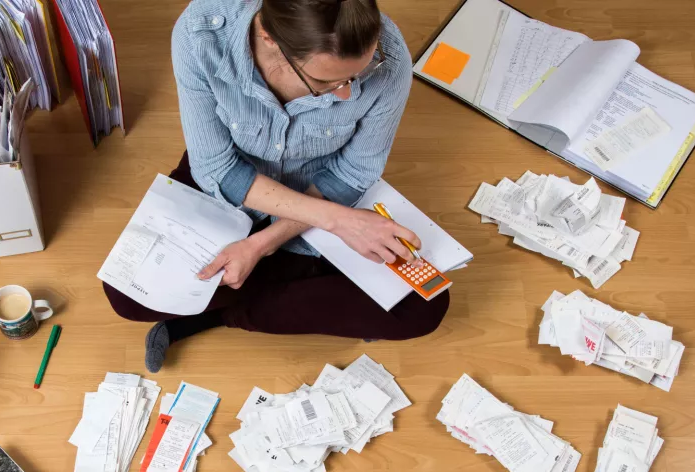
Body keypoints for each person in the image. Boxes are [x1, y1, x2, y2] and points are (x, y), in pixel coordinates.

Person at [103, 0, 450, 372]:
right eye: (324, 82)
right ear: (269, 38)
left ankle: (212, 315)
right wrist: (340, 222)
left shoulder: (390, 58)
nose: (347, 95)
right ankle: (287, 287)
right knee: (125, 293)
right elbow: (217, 167)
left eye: (358, 74)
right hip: (231, 187)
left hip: (320, 189)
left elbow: (354, 171)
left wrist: (261, 244)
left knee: (424, 308)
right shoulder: (201, 32)